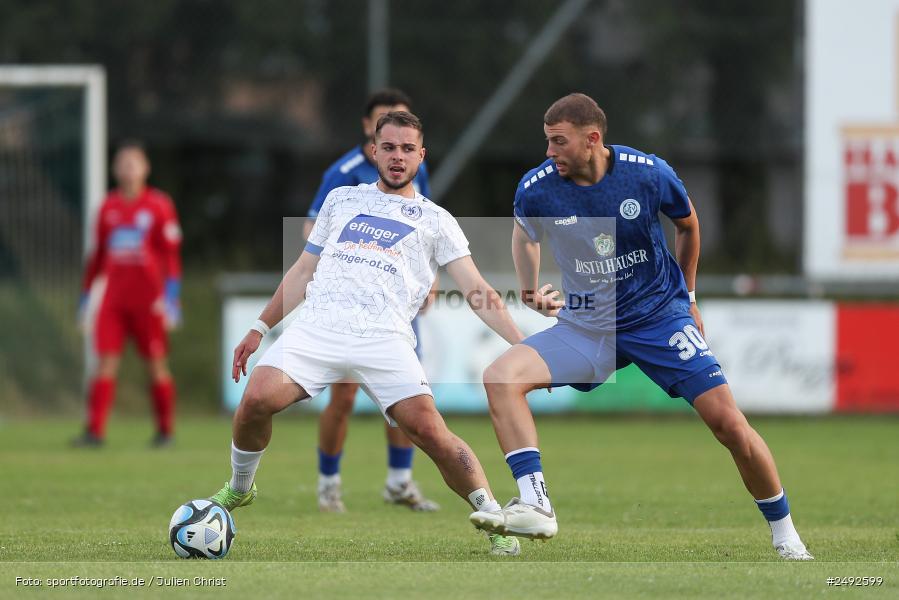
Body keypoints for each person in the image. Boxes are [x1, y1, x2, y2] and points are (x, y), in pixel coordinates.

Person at [469, 93, 814, 561]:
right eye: (547, 141)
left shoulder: (647, 173)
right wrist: (530, 290)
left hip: (658, 318)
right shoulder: (537, 187)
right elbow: (524, 233)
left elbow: (688, 226)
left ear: (592, 139)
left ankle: (786, 535)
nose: (550, 152)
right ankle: (537, 505)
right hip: (587, 326)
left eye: (559, 141)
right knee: (500, 377)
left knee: (729, 424)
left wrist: (689, 298)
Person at [212, 111, 522, 556]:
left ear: (421, 156)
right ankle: (241, 488)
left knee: (430, 431)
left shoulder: (436, 220)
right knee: (256, 399)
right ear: (373, 151)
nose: (398, 156)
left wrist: (521, 345)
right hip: (318, 328)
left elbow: (477, 289)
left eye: (407, 149)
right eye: (389, 147)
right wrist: (261, 327)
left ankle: (494, 520)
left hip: (385, 339)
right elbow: (303, 270)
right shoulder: (341, 200)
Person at [303, 89, 438, 513]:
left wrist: (429, 278)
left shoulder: (416, 167)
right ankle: (329, 484)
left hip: (396, 302)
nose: (396, 141)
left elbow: (424, 223)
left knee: (405, 396)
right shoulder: (343, 173)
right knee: (343, 397)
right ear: (369, 128)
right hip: (349, 304)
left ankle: (399, 482)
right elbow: (311, 227)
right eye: (385, 121)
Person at [73, 141, 182, 447]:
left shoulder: (159, 205)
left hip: (149, 300)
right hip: (114, 300)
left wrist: (172, 296)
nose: (128, 169)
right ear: (115, 169)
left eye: (134, 163)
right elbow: (97, 256)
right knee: (104, 362)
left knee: (156, 364)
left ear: (146, 168)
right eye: (123, 163)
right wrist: (86, 295)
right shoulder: (107, 207)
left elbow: (171, 256)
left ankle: (165, 432)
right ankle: (94, 432)